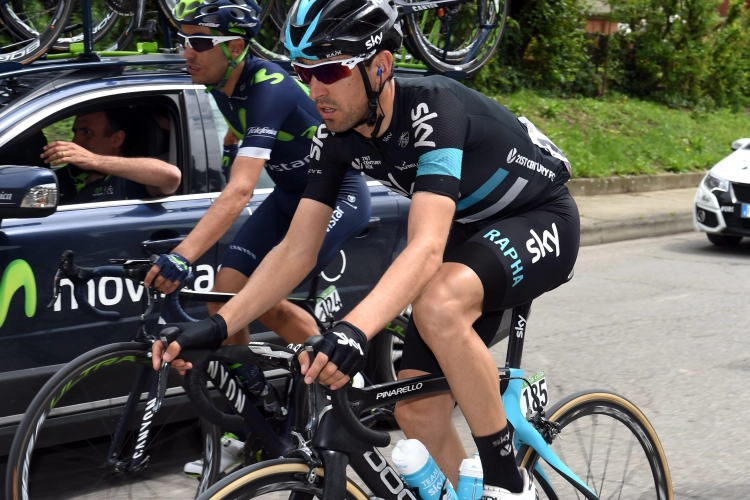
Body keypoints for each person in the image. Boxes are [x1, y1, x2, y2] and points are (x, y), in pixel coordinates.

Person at [152, 1, 580, 498]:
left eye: (330, 70)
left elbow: (424, 247)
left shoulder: (434, 110)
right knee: (416, 411)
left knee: (438, 302)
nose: (315, 91)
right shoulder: (335, 136)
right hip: (471, 231)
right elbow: (296, 249)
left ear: (381, 66)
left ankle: (510, 484)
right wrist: (219, 325)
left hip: (540, 216)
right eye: (304, 72)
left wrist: (354, 331)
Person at [143, 0, 372, 477]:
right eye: (183, 40)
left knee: (263, 301)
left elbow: (242, 190)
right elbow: (243, 133)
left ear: (236, 47)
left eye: (199, 42)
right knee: (224, 295)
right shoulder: (222, 84)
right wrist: (237, 147)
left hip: (335, 195)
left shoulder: (269, 87)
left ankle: (344, 384)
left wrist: (183, 256)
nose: (187, 52)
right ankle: (253, 416)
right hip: (289, 194)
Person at [45, 108, 181, 204]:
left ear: (116, 139)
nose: (75, 141)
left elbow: (171, 176)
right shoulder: (66, 175)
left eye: (87, 132)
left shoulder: (131, 180)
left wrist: (93, 160)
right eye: (75, 132)